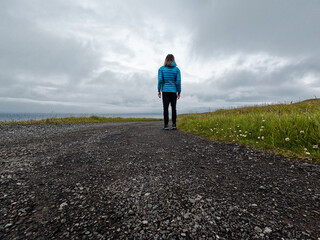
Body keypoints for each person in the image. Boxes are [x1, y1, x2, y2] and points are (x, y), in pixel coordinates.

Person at [158, 54, 181, 130]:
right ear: (173, 59)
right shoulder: (177, 70)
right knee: (174, 108)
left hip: (165, 91)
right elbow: (178, 81)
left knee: (165, 108)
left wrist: (159, 90)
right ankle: (174, 125)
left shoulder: (161, 69)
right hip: (173, 91)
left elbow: (160, 80)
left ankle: (166, 126)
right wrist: (179, 91)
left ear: (166, 59)